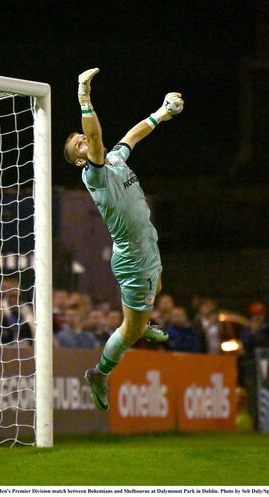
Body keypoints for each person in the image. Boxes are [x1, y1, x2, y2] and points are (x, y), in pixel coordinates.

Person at [63, 68, 184, 411]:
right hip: (134, 257)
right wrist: (84, 96)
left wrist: (161, 113)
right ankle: (100, 374)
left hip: (146, 243)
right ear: (79, 160)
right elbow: (97, 139)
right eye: (79, 145)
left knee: (156, 288)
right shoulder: (95, 173)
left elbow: (132, 137)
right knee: (131, 328)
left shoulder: (113, 159)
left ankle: (140, 321)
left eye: (82, 138)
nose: (84, 142)